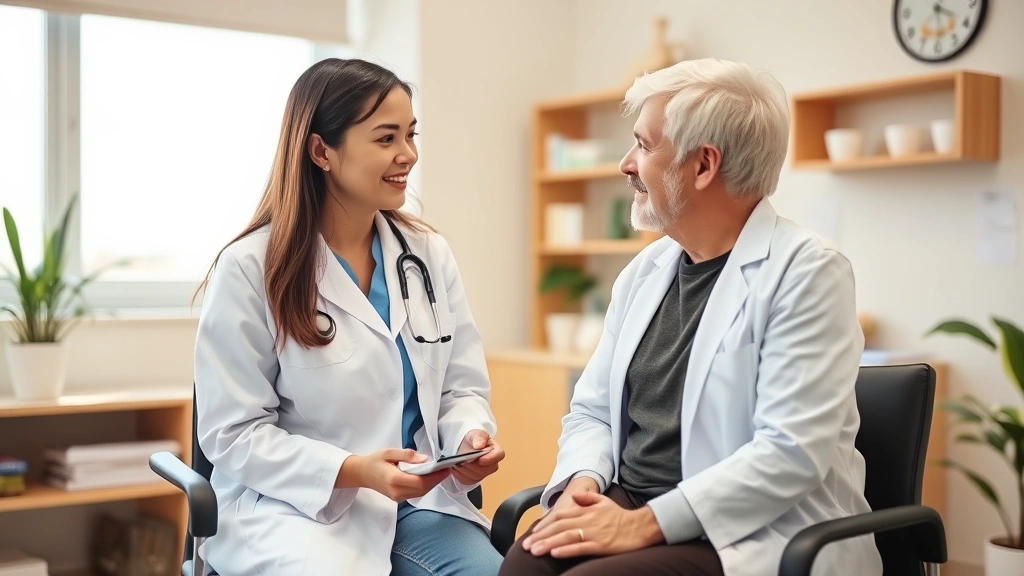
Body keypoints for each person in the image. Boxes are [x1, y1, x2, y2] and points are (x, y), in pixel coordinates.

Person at [499, 58, 883, 576]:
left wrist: (640, 525)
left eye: (643, 144)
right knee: (528, 565)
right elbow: (592, 410)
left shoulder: (808, 271)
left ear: (703, 165)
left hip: (747, 529)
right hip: (630, 501)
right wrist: (582, 484)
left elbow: (789, 453)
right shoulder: (645, 272)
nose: (626, 164)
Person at [192, 58, 505, 576]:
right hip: (297, 512)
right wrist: (353, 471)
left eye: (410, 134)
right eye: (386, 139)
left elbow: (459, 387)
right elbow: (233, 433)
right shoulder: (250, 267)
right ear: (321, 151)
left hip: (420, 505)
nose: (408, 154)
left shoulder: (426, 253)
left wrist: (468, 438)